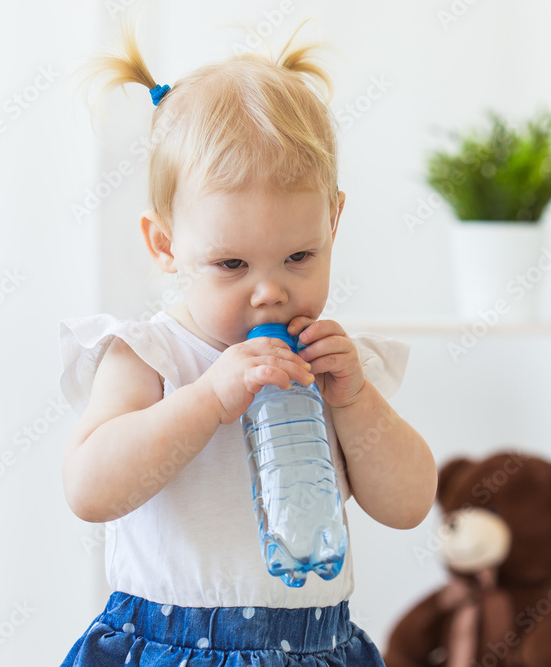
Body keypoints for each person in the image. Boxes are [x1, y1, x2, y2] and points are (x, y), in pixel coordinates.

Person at [57, 14, 437, 666]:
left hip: (314, 646)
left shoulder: (332, 363)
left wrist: (355, 402)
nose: (270, 292)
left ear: (334, 221)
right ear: (166, 245)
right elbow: (90, 488)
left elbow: (410, 503)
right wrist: (207, 397)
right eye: (232, 265)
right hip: (170, 646)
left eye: (298, 256)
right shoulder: (150, 355)